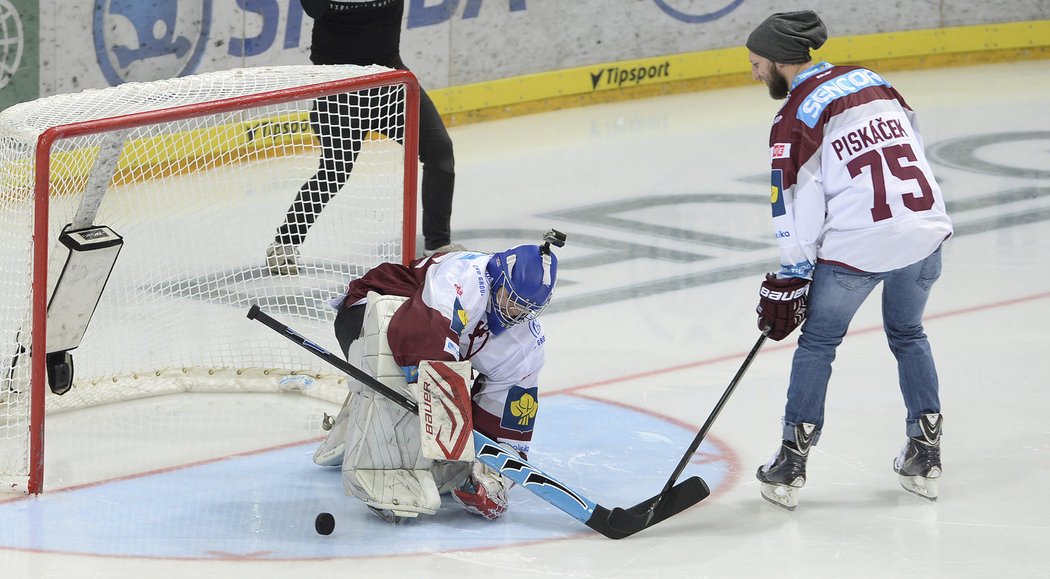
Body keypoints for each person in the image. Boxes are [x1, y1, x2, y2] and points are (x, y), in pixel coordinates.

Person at [745, 11, 953, 510]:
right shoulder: (874, 82)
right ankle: (926, 450)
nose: (753, 73)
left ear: (778, 61)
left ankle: (791, 463)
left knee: (818, 343)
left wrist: (795, 270)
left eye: (756, 63)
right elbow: (914, 143)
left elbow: (791, 198)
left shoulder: (794, 115)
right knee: (908, 334)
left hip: (858, 246)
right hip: (924, 230)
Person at [312, 230, 564, 522]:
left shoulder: (527, 344)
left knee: (445, 435)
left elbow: (508, 427)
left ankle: (361, 417)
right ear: (499, 276)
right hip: (369, 310)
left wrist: (491, 478)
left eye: (526, 309)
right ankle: (384, 472)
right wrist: (446, 423)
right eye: (511, 299)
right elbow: (418, 339)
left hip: (417, 344)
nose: (514, 313)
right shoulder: (464, 278)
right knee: (415, 378)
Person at [267, 0, 462, 275]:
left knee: (439, 151)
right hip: (338, 88)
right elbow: (314, 8)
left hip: (390, 82)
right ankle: (284, 243)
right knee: (334, 172)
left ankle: (438, 245)